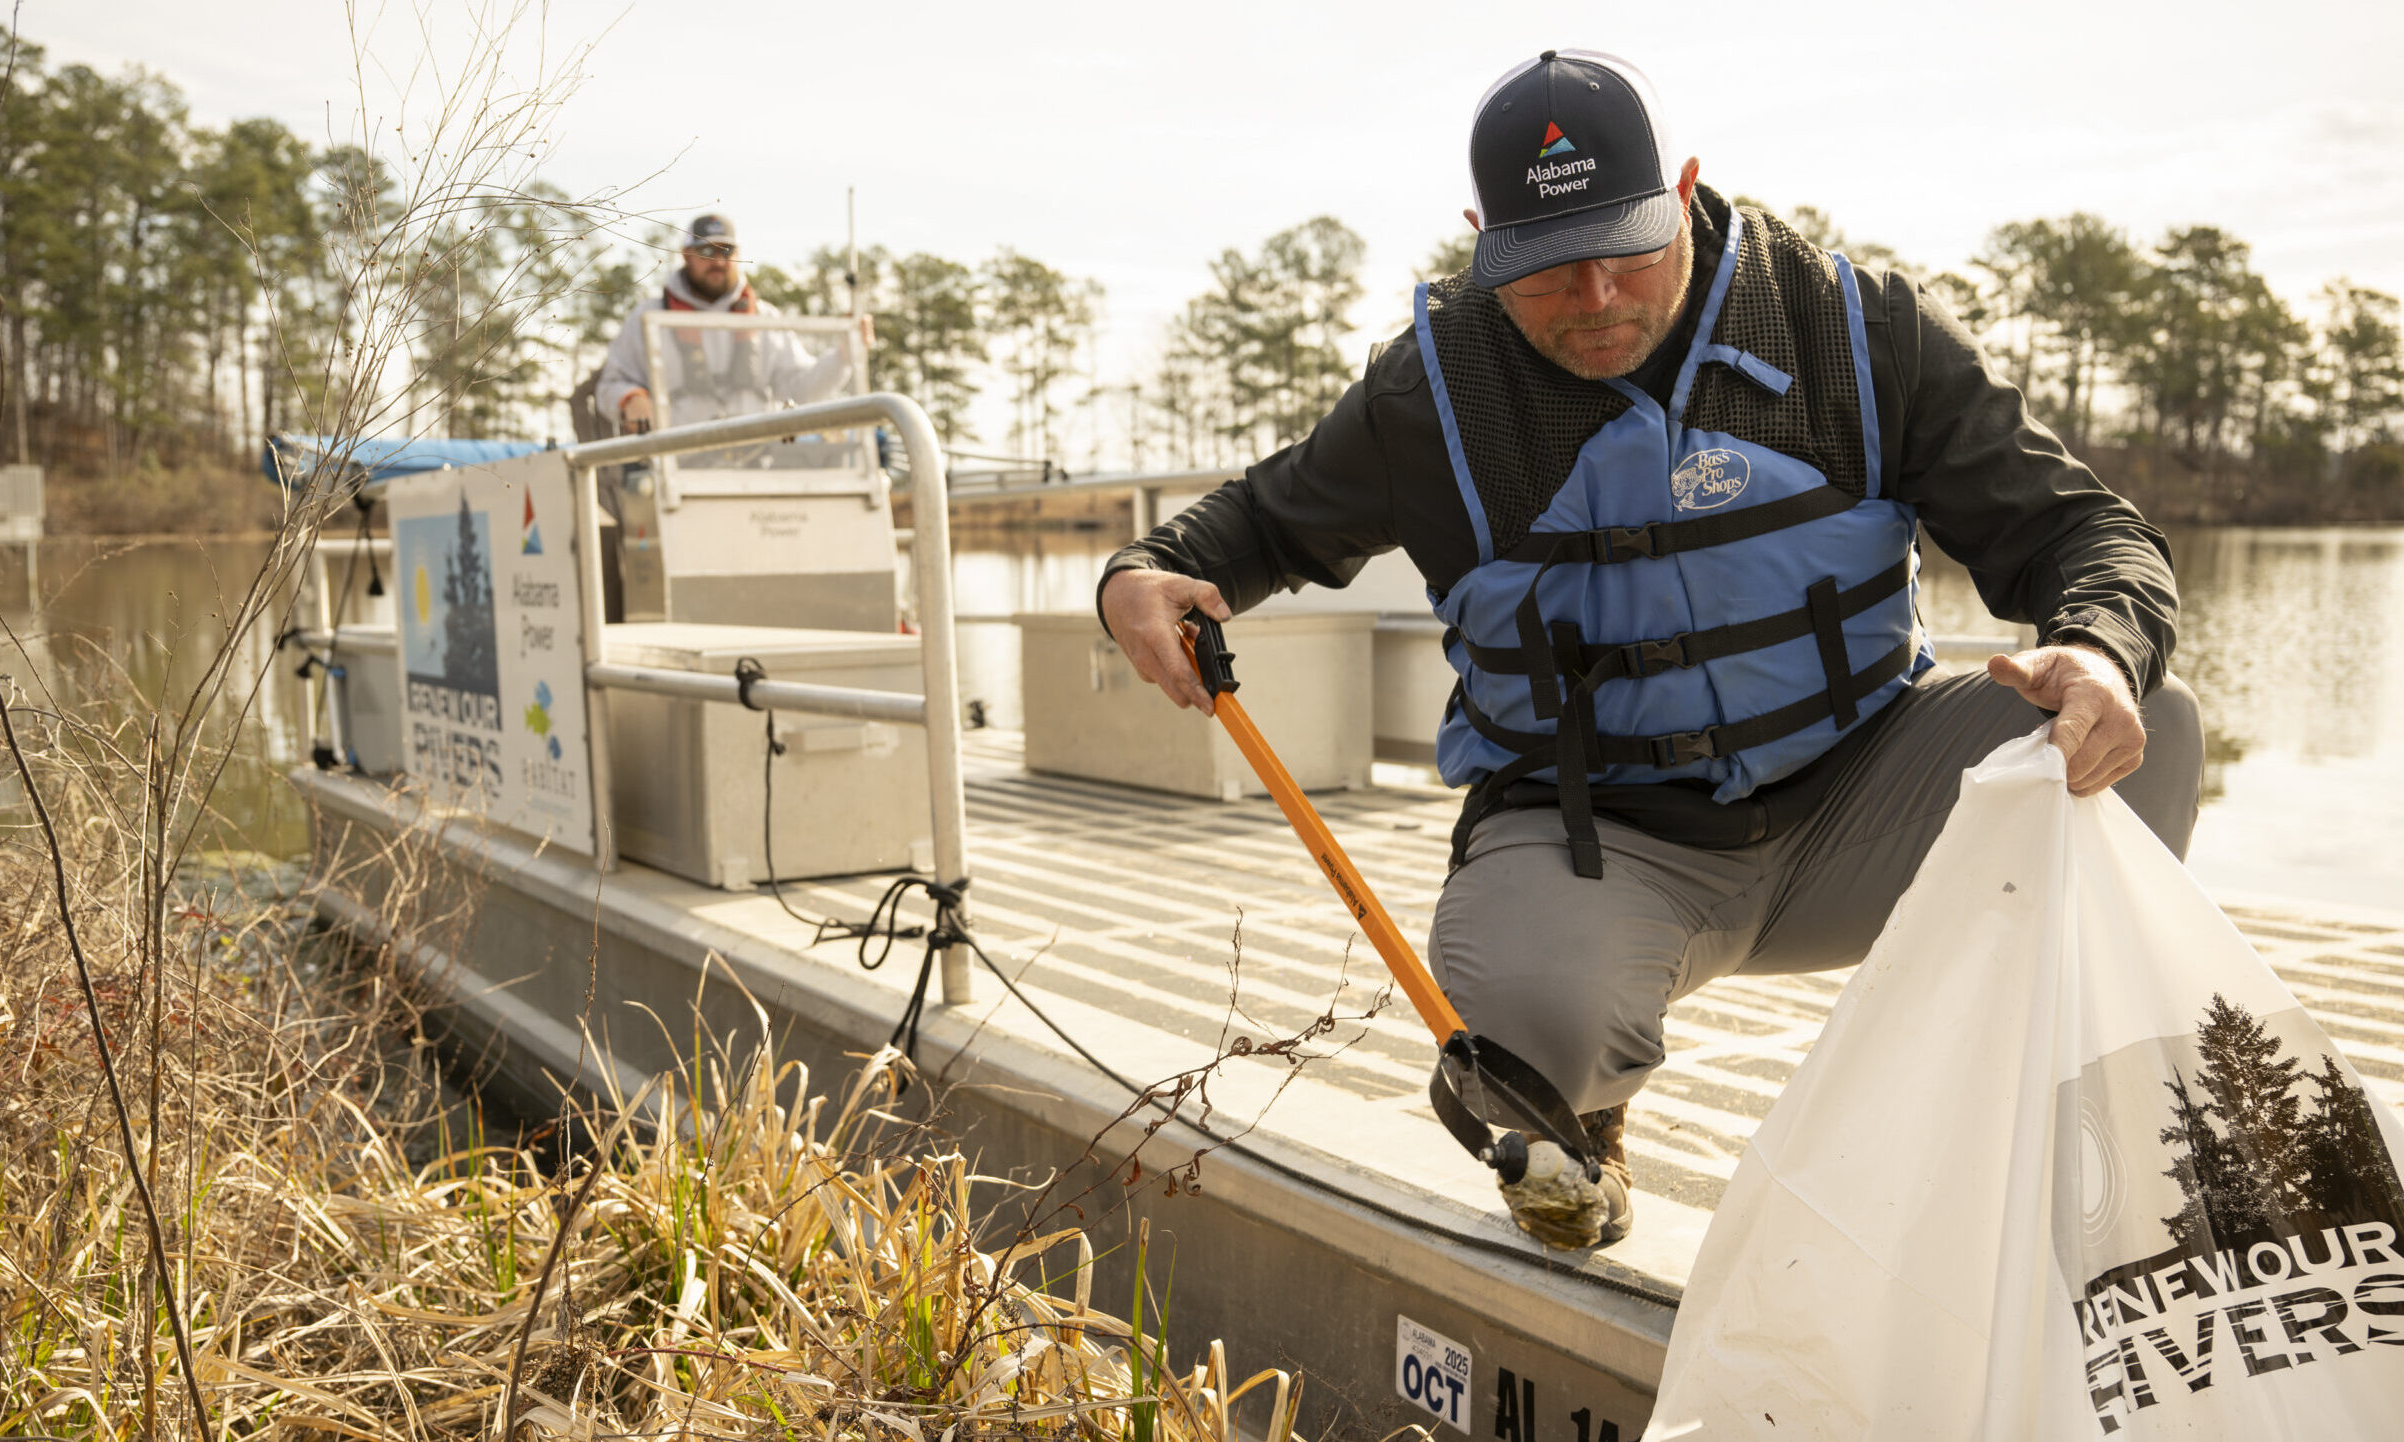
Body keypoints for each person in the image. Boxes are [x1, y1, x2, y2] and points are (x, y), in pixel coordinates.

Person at [1095, 50, 2201, 1250]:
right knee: (1520, 1032)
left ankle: (2043, 1114)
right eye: (1544, 267)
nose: (1595, 296)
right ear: (1481, 240)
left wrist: (2099, 646)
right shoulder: (1430, 395)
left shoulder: (1858, 328)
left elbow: (2086, 532)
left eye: (1627, 248)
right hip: (1606, 834)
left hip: (1866, 801)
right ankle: (1589, 1111)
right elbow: (1255, 525)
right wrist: (1139, 574)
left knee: (2153, 721)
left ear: (1682, 191)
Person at [594, 212, 860, 439]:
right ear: (687, 255)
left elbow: (801, 390)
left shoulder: (765, 318)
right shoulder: (648, 317)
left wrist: (842, 357)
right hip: (678, 466)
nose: (718, 262)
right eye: (706, 251)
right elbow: (610, 385)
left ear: (739, 254)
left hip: (759, 462)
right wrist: (630, 398)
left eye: (726, 250)